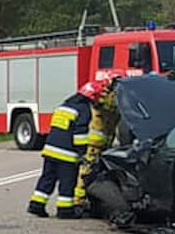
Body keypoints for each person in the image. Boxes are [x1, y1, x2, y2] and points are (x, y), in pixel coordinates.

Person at [30, 82, 95, 219]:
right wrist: (83, 152)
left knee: (47, 178)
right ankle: (65, 211)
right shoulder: (83, 109)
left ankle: (36, 205)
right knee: (67, 182)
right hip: (66, 153)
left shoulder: (63, 106)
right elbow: (80, 134)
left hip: (50, 150)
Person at [74, 78, 119, 213]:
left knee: (94, 171)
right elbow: (108, 106)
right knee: (86, 170)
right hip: (94, 143)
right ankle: (78, 201)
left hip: (102, 143)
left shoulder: (108, 99)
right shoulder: (104, 99)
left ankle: (89, 199)